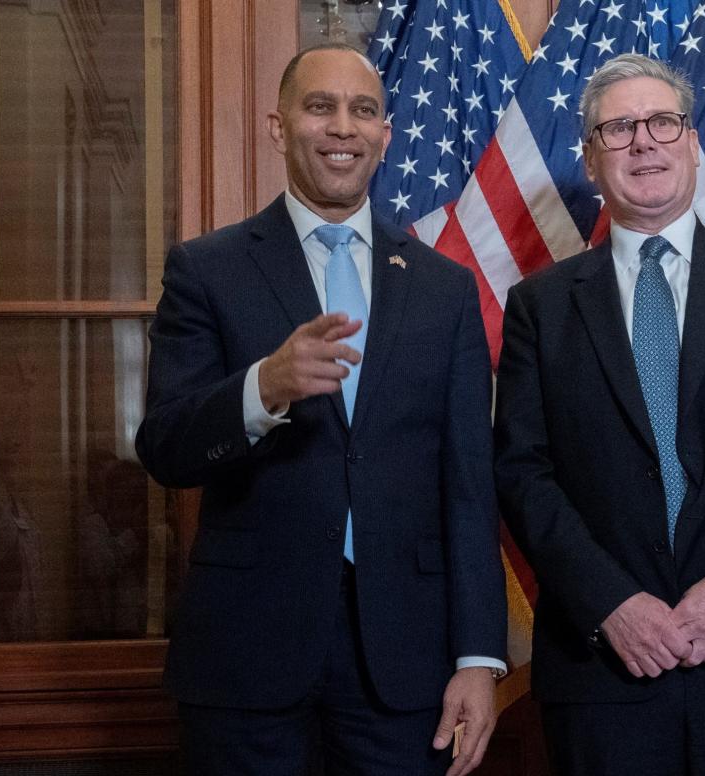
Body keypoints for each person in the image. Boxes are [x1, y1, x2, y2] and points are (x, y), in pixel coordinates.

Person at [136, 43, 506, 776]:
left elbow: (469, 487)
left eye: (362, 110)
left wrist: (478, 657)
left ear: (384, 135)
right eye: (319, 107)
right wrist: (262, 389)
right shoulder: (206, 269)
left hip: (405, 662)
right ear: (279, 127)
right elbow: (164, 448)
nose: (343, 127)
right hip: (247, 655)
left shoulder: (444, 288)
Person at [494, 53, 705, 776]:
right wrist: (612, 602)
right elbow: (522, 472)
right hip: (604, 662)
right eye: (617, 129)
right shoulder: (541, 305)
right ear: (590, 160)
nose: (642, 142)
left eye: (661, 122)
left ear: (690, 142)